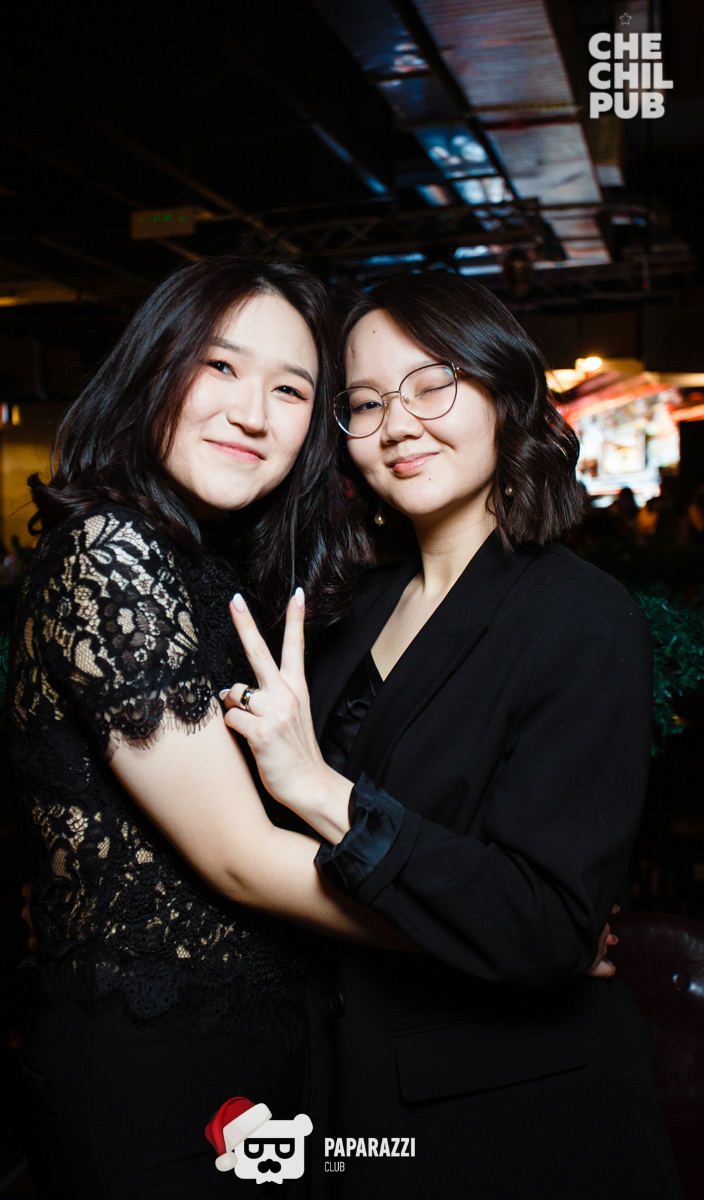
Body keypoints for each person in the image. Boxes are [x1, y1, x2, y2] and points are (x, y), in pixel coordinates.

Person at [219, 271, 682, 1200]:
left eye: (433, 384)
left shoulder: (582, 619)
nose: (398, 425)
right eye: (364, 403)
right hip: (350, 1098)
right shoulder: (353, 612)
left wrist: (319, 789)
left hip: (515, 1120)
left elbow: (546, 926)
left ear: (504, 393)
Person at [10, 255, 430, 1200]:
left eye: (291, 390)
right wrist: (504, 935)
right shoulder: (109, 552)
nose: (253, 413)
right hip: (152, 1068)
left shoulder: (222, 566)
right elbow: (240, 856)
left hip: (267, 1048)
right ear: (153, 368)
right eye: (220, 366)